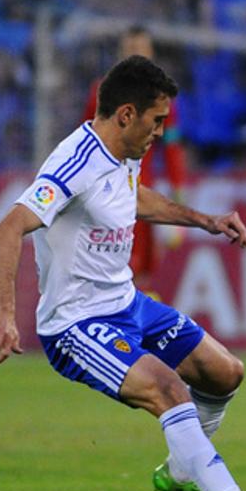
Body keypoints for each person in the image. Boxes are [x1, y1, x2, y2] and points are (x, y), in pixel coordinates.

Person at [0, 55, 246, 491]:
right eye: (157, 121)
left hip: (126, 302)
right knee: (170, 389)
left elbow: (133, 199)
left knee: (225, 372)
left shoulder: (124, 153)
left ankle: (181, 471)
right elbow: (8, 226)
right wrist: (3, 310)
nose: (161, 133)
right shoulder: (74, 162)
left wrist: (204, 220)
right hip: (76, 324)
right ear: (127, 114)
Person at [83, 26, 188, 296]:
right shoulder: (100, 93)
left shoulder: (162, 100)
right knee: (109, 273)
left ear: (150, 53)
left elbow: (172, 148)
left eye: (140, 49)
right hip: (105, 195)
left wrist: (178, 197)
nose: (136, 55)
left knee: (141, 274)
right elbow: (84, 143)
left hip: (139, 195)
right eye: (130, 50)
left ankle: (135, 333)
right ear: (120, 54)